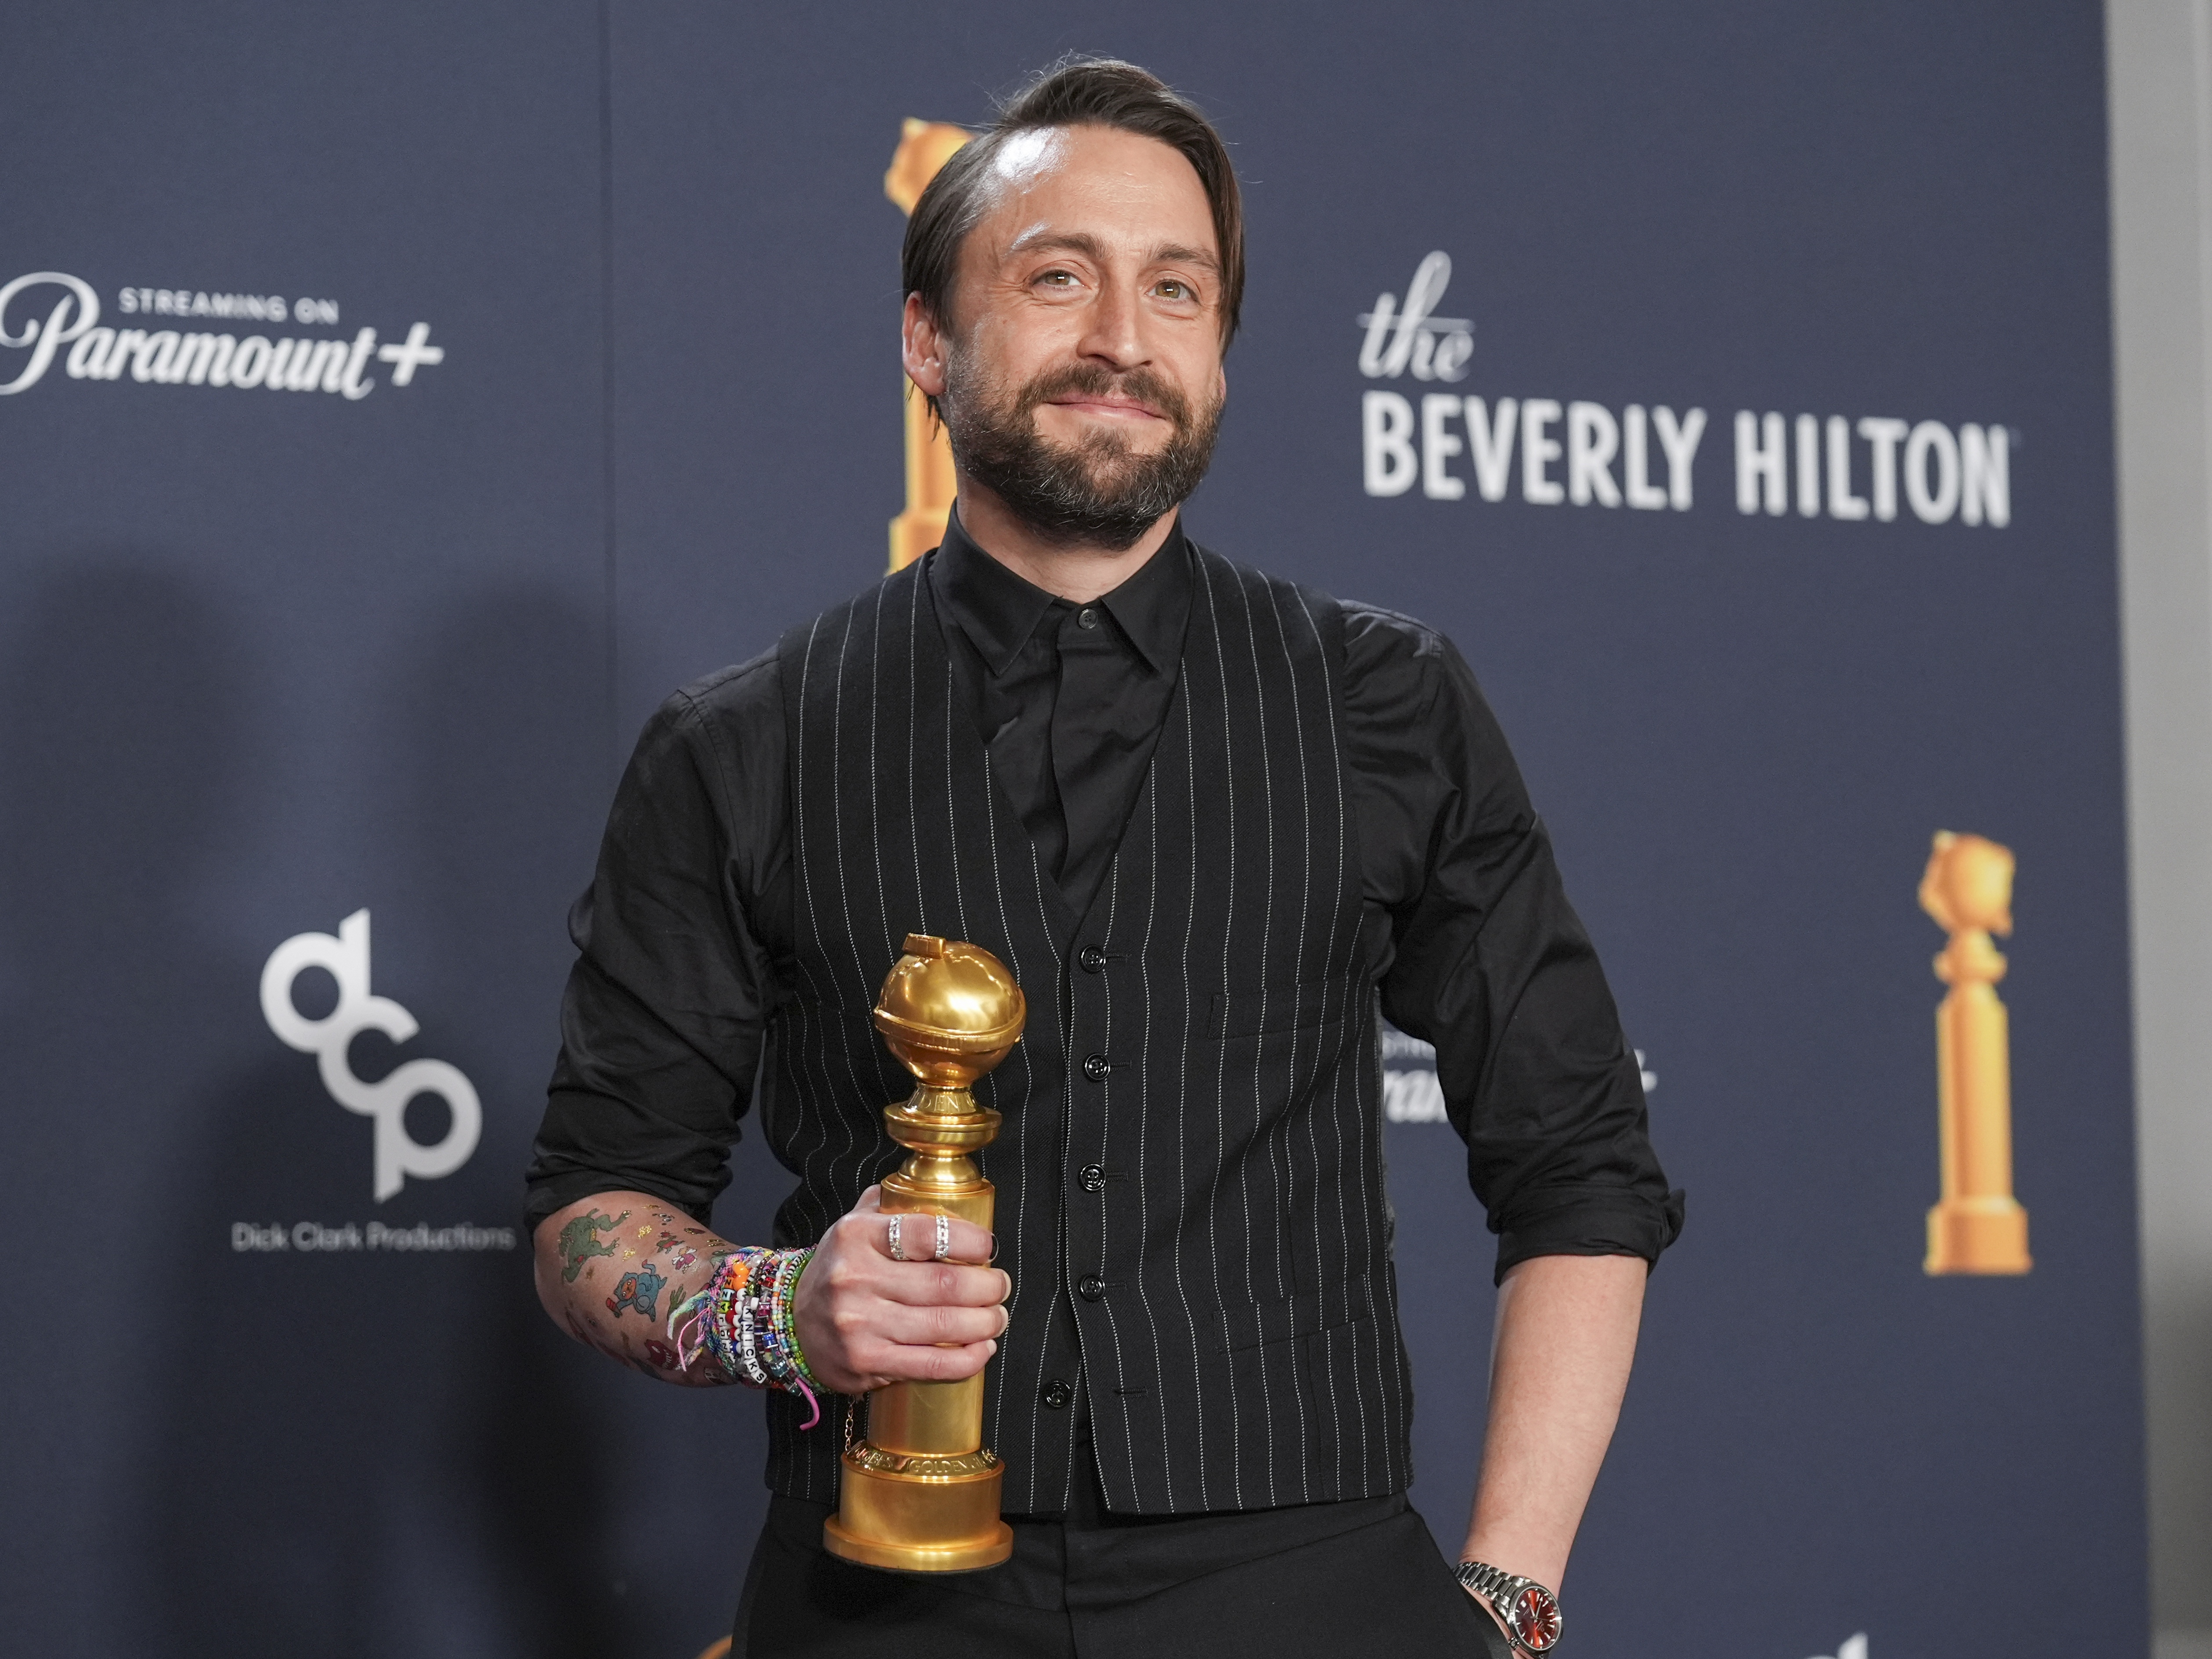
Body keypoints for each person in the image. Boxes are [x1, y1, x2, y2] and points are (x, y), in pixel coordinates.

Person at [526, 56, 1682, 1659]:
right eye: (1058, 276)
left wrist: (1507, 1594)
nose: (1123, 340)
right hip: (872, 1596)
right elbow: (597, 1201)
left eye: (1177, 291)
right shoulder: (744, 741)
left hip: (1317, 1596)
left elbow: (1582, 1166)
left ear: (1218, 355)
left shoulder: (1386, 702)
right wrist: (773, 1309)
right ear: (929, 338)